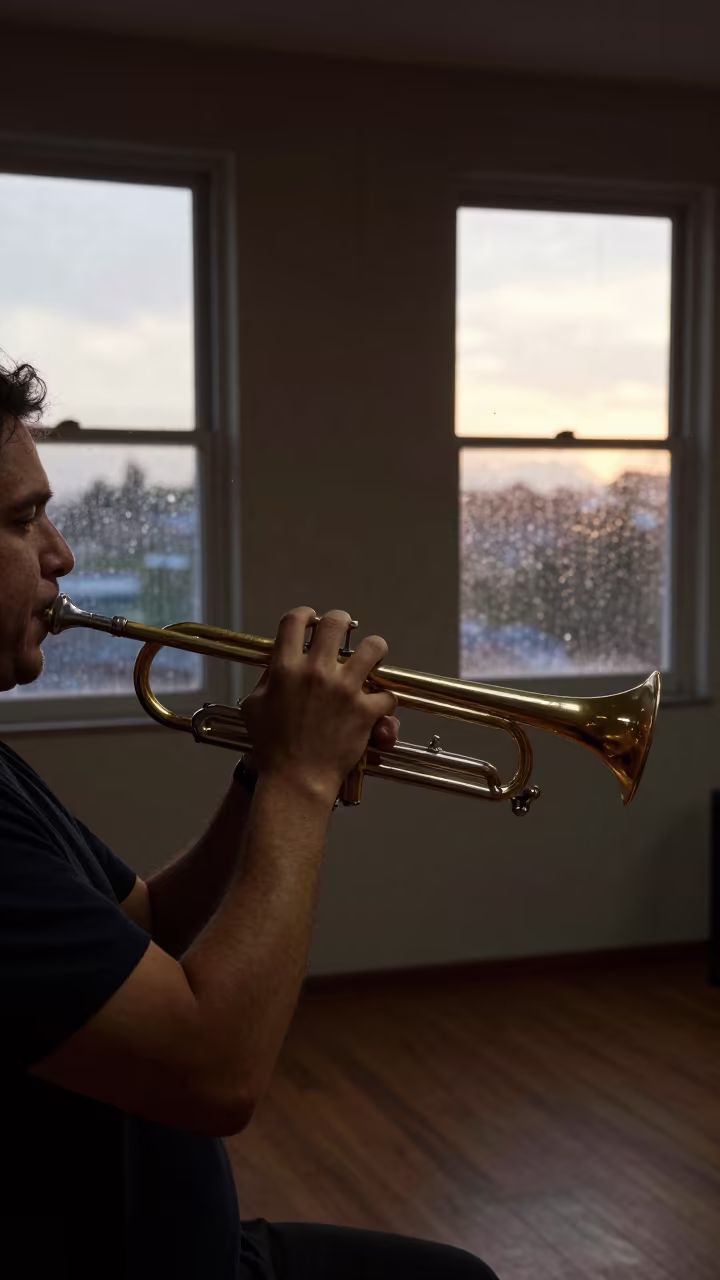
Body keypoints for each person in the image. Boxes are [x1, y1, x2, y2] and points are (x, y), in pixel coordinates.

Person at [0, 358, 500, 1280]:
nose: (60, 554)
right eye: (23, 518)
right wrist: (304, 780)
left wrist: (266, 772)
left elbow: (141, 927)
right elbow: (216, 1074)